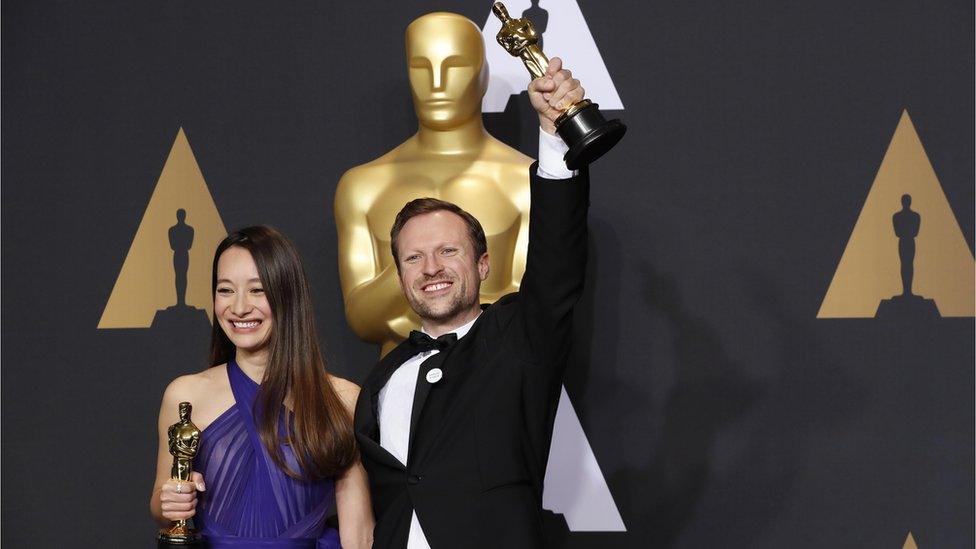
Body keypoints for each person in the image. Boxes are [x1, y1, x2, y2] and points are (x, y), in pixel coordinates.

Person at [354, 55, 590, 548]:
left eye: (447, 252)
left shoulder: (518, 340)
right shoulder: (383, 378)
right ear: (400, 278)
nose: (432, 268)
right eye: (414, 258)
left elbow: (555, 268)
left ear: (483, 265)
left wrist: (553, 135)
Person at [150, 226, 374, 548]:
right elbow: (162, 505)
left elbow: (360, 533)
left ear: (287, 296)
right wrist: (171, 500)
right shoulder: (185, 395)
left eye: (257, 290)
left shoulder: (343, 399)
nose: (239, 308)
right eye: (225, 290)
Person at [334, 12, 538, 357]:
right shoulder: (362, 186)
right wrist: (431, 274)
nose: (437, 83)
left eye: (455, 66)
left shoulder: (525, 181)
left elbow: (531, 311)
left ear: (483, 75)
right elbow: (361, 319)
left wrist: (415, 295)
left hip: (494, 384)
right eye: (421, 68)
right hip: (399, 389)